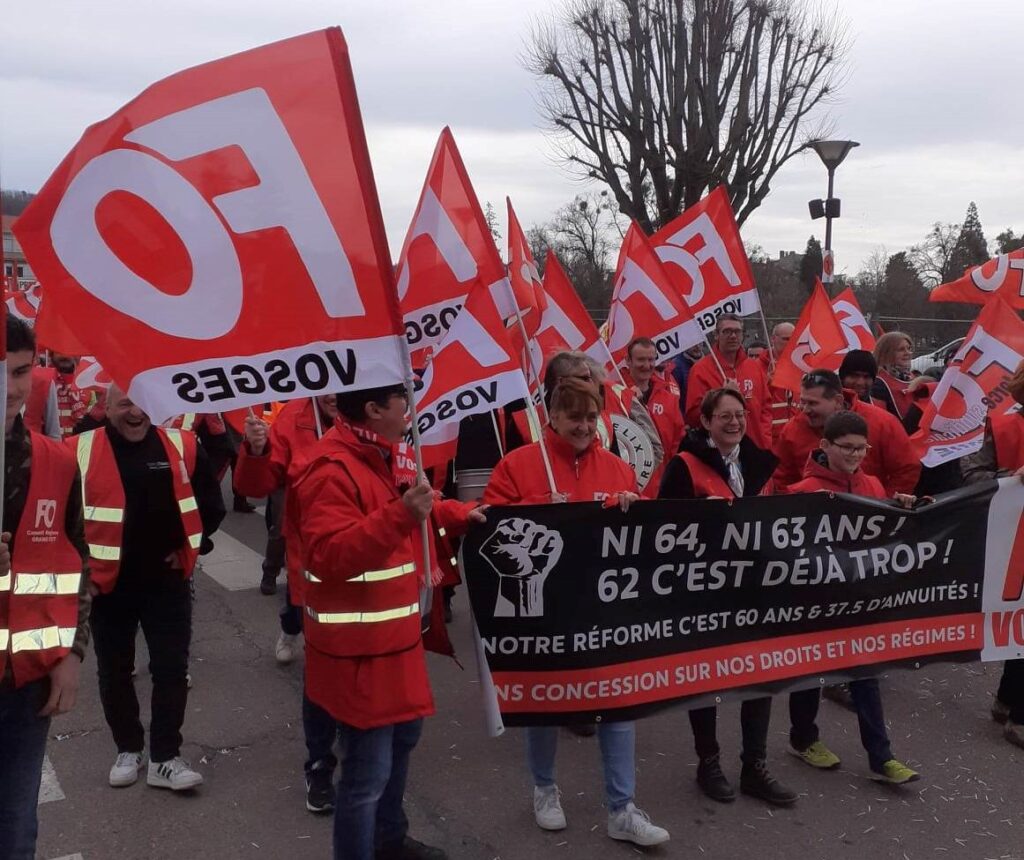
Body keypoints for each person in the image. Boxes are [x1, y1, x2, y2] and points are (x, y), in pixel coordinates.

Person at [292, 383, 484, 860]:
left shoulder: (380, 452)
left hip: (394, 643)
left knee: (401, 746)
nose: (411, 411)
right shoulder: (330, 468)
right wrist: (400, 515)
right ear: (374, 409)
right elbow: (329, 554)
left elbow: (418, 507)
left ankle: (389, 842)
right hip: (360, 654)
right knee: (365, 778)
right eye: (403, 403)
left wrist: (462, 513)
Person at [483, 378, 670, 848]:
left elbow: (641, 539)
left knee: (618, 703)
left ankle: (622, 808)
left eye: (592, 418)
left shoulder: (617, 467)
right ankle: (544, 789)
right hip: (544, 612)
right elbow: (490, 527)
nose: (585, 427)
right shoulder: (518, 465)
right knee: (545, 704)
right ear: (552, 416)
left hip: (606, 611)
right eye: (575, 418)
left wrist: (631, 509)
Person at [68, 383, 225, 791]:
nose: (134, 413)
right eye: (124, 404)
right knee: (114, 671)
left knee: (171, 670)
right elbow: (66, 521)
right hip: (109, 587)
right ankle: (129, 747)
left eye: (141, 404)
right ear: (106, 407)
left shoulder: (183, 445)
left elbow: (211, 504)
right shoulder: (78, 449)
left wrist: (193, 548)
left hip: (166, 582)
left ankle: (165, 758)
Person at [658, 388, 796, 807]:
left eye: (739, 414)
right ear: (707, 421)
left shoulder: (759, 465)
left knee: (759, 676)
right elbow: (663, 528)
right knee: (706, 678)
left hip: (755, 589)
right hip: (705, 592)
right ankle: (709, 762)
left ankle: (754, 765)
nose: (734, 422)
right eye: (724, 416)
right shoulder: (685, 466)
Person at [786, 411, 922, 784]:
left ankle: (882, 758)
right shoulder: (803, 494)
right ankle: (803, 738)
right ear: (825, 446)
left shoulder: (874, 487)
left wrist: (903, 508)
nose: (854, 455)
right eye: (846, 448)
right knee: (810, 672)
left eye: (861, 449)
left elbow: (886, 538)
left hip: (860, 602)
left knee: (866, 674)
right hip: (814, 604)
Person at [0, 317, 90, 858]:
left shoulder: (55, 460)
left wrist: (72, 652)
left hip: (25, 683)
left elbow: (76, 557)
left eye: (19, 372)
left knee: (15, 827)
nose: (11, 389)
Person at [234, 395, 343, 813]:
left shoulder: (372, 411)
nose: (333, 393)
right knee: (320, 674)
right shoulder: (292, 419)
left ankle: (359, 736)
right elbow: (254, 485)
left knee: (359, 668)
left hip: (366, 574)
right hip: (311, 570)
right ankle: (319, 762)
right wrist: (257, 449)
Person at [961, 359, 1024, 749]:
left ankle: (1007, 699)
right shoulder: (1002, 424)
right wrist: (1012, 478)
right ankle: (1018, 716)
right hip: (1011, 537)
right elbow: (971, 475)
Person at [773, 370, 920, 494]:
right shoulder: (793, 429)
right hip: (815, 519)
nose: (805, 410)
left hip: (868, 518)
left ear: (837, 401)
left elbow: (907, 468)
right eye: (803, 402)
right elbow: (781, 478)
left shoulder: (882, 423)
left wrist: (882, 506)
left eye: (812, 403)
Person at [686, 315, 772, 448]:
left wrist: (764, 440)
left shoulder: (753, 366)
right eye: (727, 331)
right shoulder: (700, 370)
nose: (733, 336)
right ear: (716, 335)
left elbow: (765, 407)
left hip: (755, 449)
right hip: (719, 451)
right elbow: (694, 417)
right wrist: (723, 396)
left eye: (737, 331)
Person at [622, 338, 684, 491]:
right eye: (641, 360)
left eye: (651, 359)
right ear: (628, 361)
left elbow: (677, 440)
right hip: (627, 485)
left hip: (661, 484)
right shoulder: (615, 394)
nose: (647, 365)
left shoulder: (669, 398)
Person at [761, 322, 796, 443]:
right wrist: (768, 384)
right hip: (769, 438)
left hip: (795, 437)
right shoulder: (756, 366)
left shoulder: (802, 366)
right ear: (773, 339)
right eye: (786, 339)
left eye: (793, 339)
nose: (790, 343)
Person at [871, 332, 915, 420]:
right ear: (886, 353)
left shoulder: (912, 377)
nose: (907, 353)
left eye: (909, 348)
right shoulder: (878, 384)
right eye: (901, 349)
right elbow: (881, 419)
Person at [670, 344, 704, 419]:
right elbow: (675, 400)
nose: (697, 346)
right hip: (689, 421)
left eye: (699, 342)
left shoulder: (709, 362)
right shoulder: (676, 367)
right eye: (693, 343)